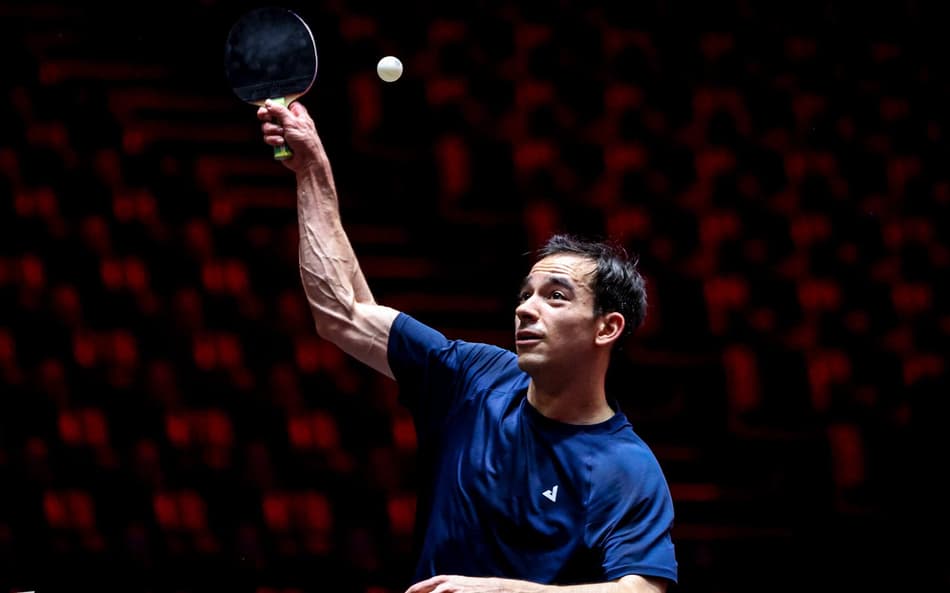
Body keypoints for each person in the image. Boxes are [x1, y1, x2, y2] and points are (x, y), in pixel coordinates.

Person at [257, 98, 678, 593]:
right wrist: (313, 170)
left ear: (606, 328)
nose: (525, 308)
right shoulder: (476, 378)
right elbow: (343, 313)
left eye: (555, 297)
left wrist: (501, 590)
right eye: (525, 295)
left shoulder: (623, 465)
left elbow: (643, 590)